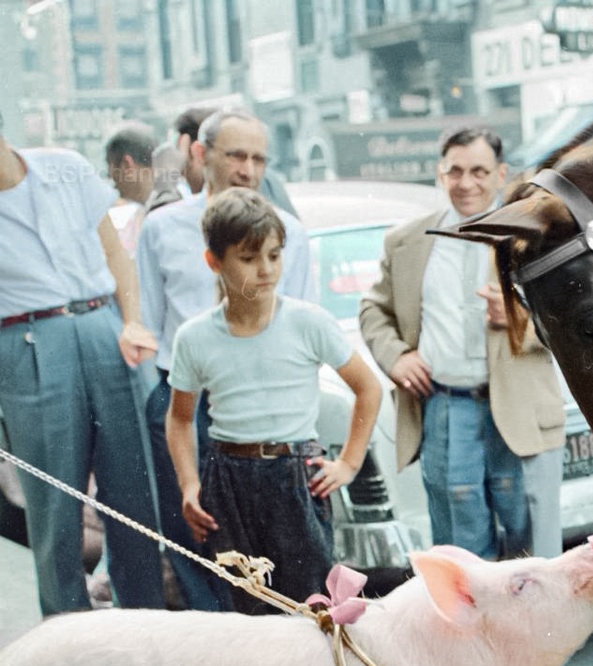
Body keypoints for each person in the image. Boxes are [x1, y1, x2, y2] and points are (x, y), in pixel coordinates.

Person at [165, 189, 381, 614]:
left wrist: (349, 463)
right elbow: (179, 419)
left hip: (295, 476)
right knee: (247, 604)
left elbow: (367, 388)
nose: (265, 270)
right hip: (228, 481)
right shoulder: (194, 337)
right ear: (214, 262)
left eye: (274, 255)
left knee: (312, 601)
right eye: (248, 258)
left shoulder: (307, 322)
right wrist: (190, 484)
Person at [359, 125, 566, 563]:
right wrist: (396, 357)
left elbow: (578, 322)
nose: (466, 182)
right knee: (461, 554)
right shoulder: (408, 240)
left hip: (518, 409)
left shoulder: (537, 238)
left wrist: (521, 321)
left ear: (500, 174)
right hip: (445, 408)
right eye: (455, 171)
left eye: (478, 171)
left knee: (532, 553)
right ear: (440, 173)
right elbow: (373, 310)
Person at [138, 106, 316, 610]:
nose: (248, 169)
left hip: (262, 405)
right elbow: (151, 323)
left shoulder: (291, 236)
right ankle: (209, 632)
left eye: (258, 157)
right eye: (235, 154)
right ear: (200, 153)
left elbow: (301, 325)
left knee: (273, 538)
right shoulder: (163, 228)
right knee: (192, 527)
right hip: (184, 401)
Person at [0, 110, 164, 616]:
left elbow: (117, 256)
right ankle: (67, 634)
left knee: (134, 493)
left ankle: (146, 625)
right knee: (54, 505)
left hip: (104, 327)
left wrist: (132, 320)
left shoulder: (65, 167)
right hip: (25, 340)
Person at [103, 121, 157, 255]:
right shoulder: (180, 201)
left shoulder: (120, 220)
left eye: (110, 166)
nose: (110, 178)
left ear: (126, 165)